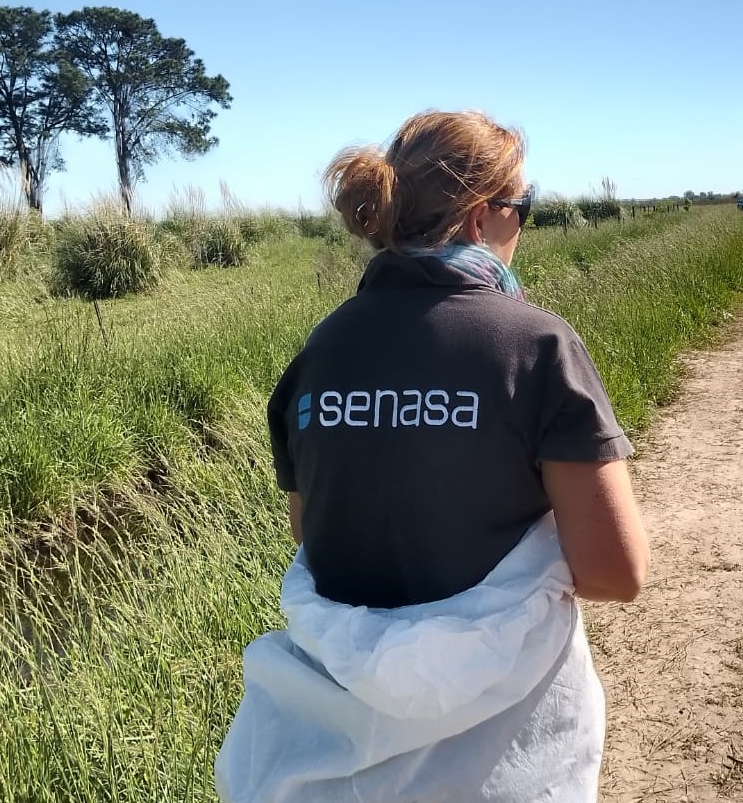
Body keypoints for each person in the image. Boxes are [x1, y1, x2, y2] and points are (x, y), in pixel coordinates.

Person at [215, 110, 650, 803]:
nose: (522, 227)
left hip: (333, 765)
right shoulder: (537, 348)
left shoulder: (319, 354)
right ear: (481, 218)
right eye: (524, 207)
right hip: (502, 761)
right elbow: (613, 570)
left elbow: (315, 534)